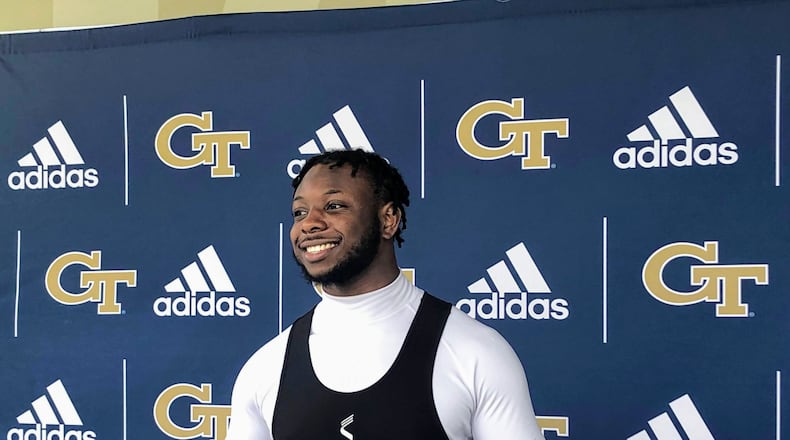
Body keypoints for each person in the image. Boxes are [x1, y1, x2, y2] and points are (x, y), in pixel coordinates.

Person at [226, 149, 545, 440]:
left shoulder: (474, 353)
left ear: (388, 219)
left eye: (334, 206)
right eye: (299, 212)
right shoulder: (266, 367)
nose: (309, 224)